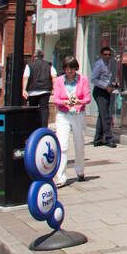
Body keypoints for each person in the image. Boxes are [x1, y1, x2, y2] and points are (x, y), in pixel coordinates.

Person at [52, 57, 91, 187]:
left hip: (78, 114)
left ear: (76, 69)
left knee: (79, 143)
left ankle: (80, 171)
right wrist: (66, 102)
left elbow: (87, 97)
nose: (69, 71)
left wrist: (78, 103)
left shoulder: (83, 80)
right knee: (62, 145)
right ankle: (61, 176)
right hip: (63, 114)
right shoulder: (59, 81)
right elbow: (56, 99)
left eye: (72, 68)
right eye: (67, 68)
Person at [90, 47, 118, 147]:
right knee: (105, 116)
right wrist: (105, 87)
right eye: (105, 54)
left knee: (102, 114)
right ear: (101, 55)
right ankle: (109, 138)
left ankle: (97, 139)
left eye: (109, 54)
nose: (107, 56)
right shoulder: (99, 64)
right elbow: (93, 79)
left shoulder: (110, 64)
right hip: (100, 91)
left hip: (107, 91)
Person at [23, 49, 56, 128]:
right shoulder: (49, 65)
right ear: (43, 56)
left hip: (32, 90)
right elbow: (54, 77)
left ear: (35, 56)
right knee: (44, 109)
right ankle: (44, 127)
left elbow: (25, 77)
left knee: (32, 109)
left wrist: (24, 89)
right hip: (45, 90)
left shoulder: (29, 65)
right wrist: (54, 88)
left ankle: (32, 127)